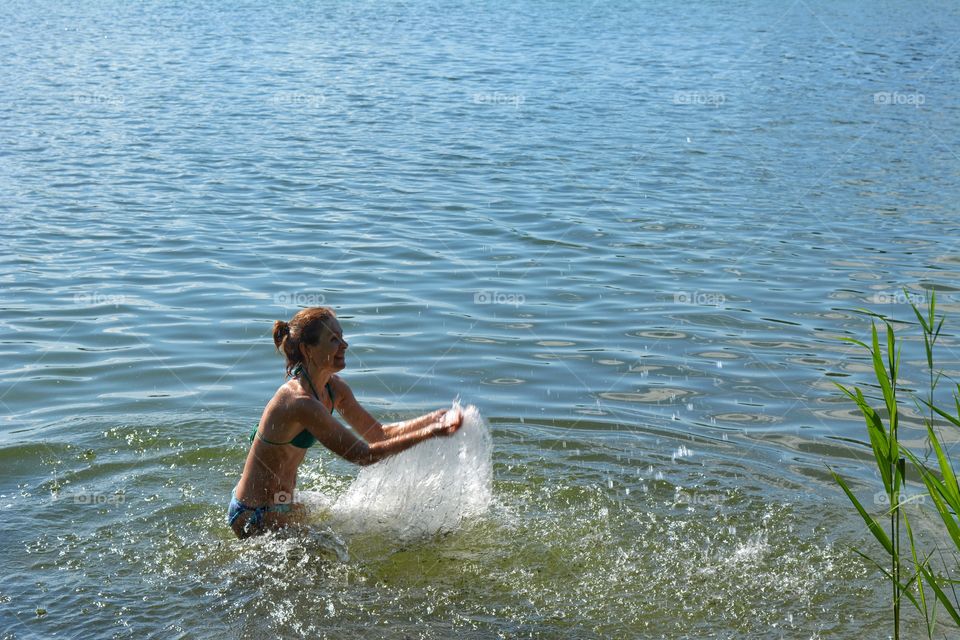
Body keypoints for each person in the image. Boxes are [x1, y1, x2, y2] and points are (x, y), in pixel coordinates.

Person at [228, 306, 463, 538]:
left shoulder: (334, 389)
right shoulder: (299, 402)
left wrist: (432, 420)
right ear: (307, 349)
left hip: (282, 505)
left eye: (342, 337)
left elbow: (378, 434)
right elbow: (363, 455)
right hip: (253, 514)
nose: (344, 345)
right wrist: (431, 433)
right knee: (326, 560)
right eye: (333, 339)